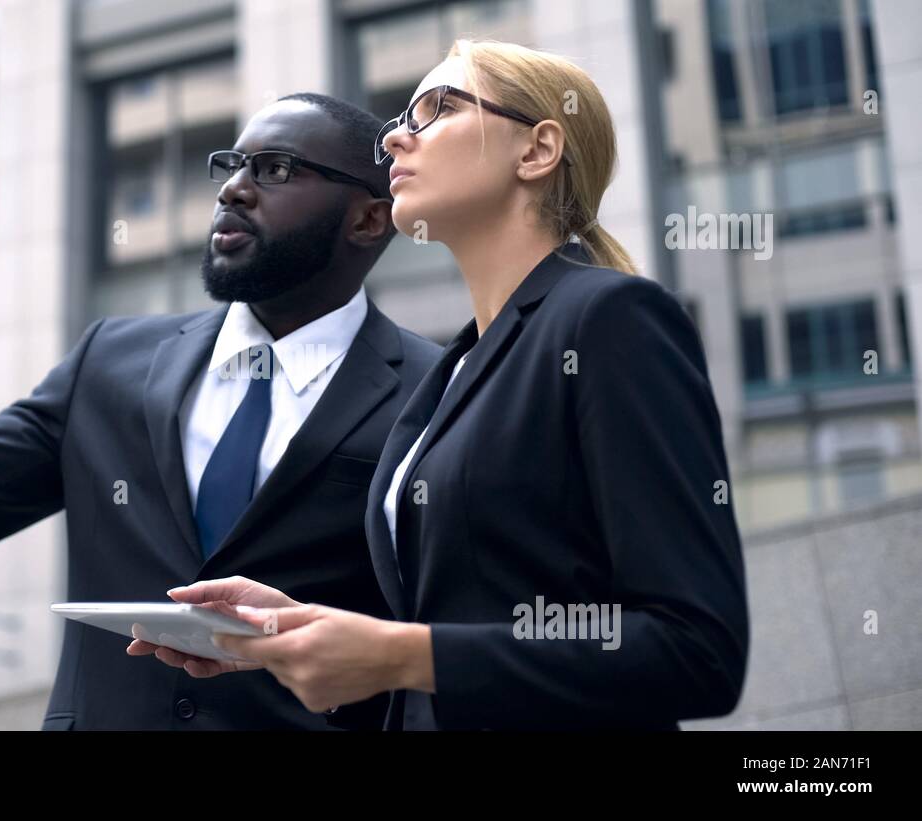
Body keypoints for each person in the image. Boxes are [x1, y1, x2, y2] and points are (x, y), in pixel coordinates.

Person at [0, 93, 441, 729]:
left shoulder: (437, 390)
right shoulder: (111, 361)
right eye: (231, 166)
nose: (235, 191)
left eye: (276, 169)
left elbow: (459, 635)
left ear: (369, 219)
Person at [149, 40, 750, 730]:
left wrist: (405, 653)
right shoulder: (445, 375)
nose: (396, 136)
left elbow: (698, 649)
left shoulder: (609, 319)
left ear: (536, 151)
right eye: (403, 114)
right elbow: (462, 629)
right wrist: (305, 634)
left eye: (439, 108)